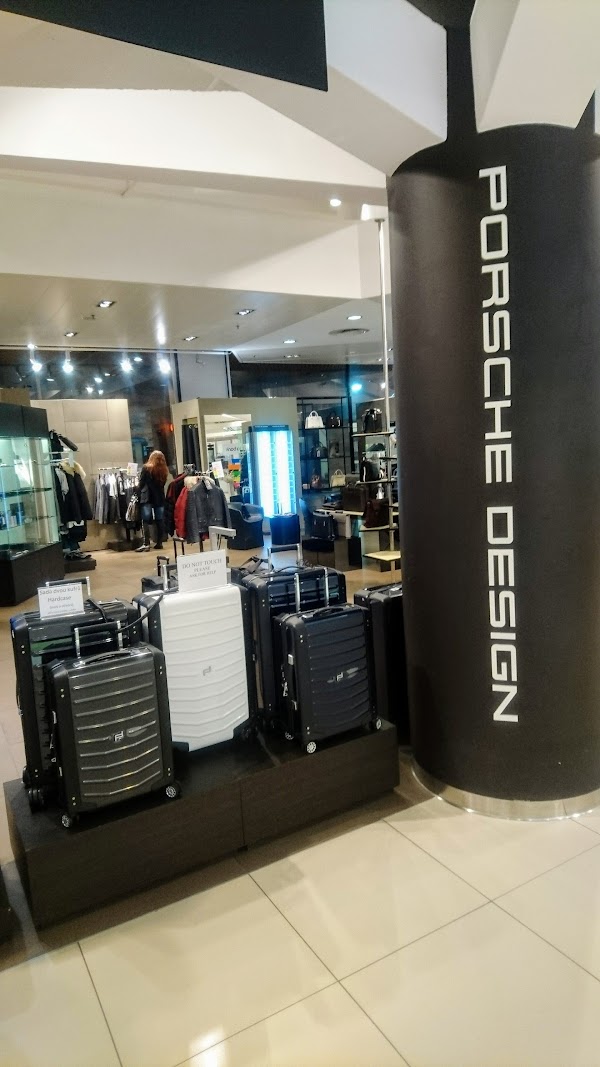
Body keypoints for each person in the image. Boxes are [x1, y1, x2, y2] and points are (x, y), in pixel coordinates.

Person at [136, 450, 168, 552]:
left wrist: (137, 492)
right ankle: (159, 542)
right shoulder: (164, 470)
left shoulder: (146, 468)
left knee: (145, 520)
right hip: (159, 497)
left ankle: (146, 543)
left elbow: (141, 483)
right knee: (159, 520)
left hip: (147, 497)